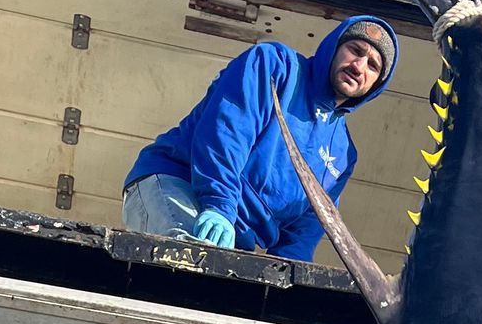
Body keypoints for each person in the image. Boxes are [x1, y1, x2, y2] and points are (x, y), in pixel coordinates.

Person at [122, 14, 398, 259]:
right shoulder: (275, 66)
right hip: (180, 185)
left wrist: (289, 279)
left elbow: (307, 228)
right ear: (334, 48)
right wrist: (220, 206)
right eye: (355, 50)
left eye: (373, 65)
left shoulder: (344, 153)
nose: (359, 66)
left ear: (377, 84)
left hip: (234, 240)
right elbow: (225, 134)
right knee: (189, 268)